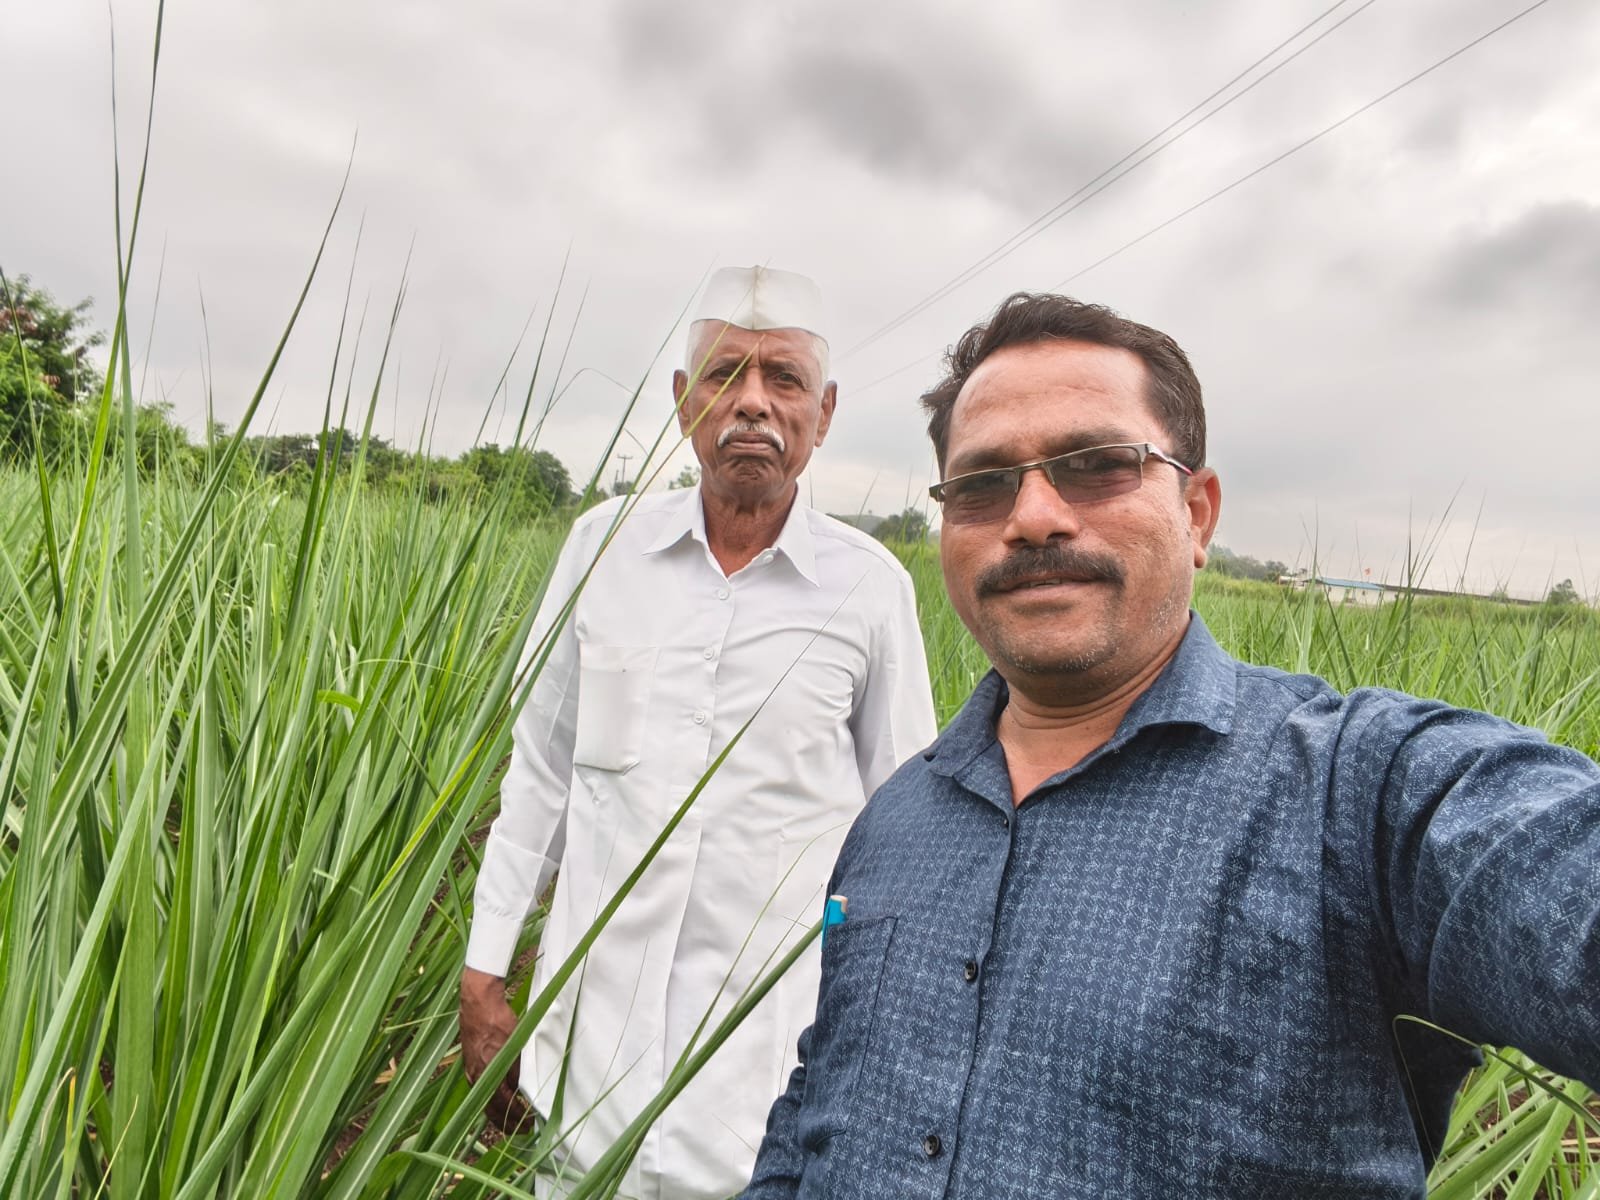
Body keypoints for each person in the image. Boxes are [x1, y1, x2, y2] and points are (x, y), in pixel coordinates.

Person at [744, 292, 1600, 1198]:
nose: (1032, 516)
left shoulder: (1357, 792)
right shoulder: (895, 817)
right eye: (984, 482)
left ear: (1197, 512)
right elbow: (814, 1107)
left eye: (1098, 466)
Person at [461, 266, 937, 1199]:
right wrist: (484, 972)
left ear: (824, 412)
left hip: (765, 1064)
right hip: (587, 1052)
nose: (752, 403)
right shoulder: (602, 550)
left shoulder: (871, 588)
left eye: (784, 379)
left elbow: (902, 832)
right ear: (686, 402)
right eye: (725, 375)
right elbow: (542, 775)